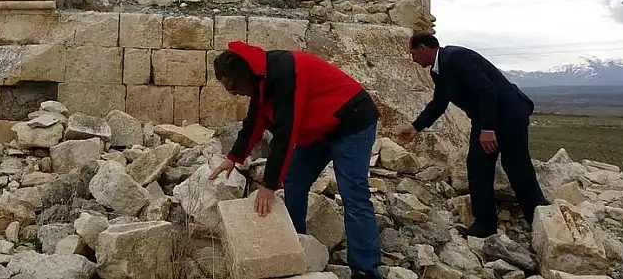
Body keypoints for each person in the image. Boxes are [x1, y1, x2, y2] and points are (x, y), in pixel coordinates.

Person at [207, 40, 384, 279]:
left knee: (353, 194)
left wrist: (269, 185)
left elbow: (285, 133)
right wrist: (234, 157)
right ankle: (296, 242)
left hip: (351, 121)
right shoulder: (260, 79)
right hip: (320, 128)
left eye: (235, 87)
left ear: (244, 75)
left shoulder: (284, 73)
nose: (235, 93)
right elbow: (254, 121)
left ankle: (365, 269)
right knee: (295, 180)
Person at [396, 33, 548, 237]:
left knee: (516, 165)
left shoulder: (456, 57)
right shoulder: (438, 71)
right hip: (485, 117)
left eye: (413, 53)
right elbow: (439, 103)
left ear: (423, 48)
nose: (412, 58)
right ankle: (485, 224)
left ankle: (538, 216)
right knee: (477, 166)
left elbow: (487, 90)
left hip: (509, 113)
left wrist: (487, 129)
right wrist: (416, 127)